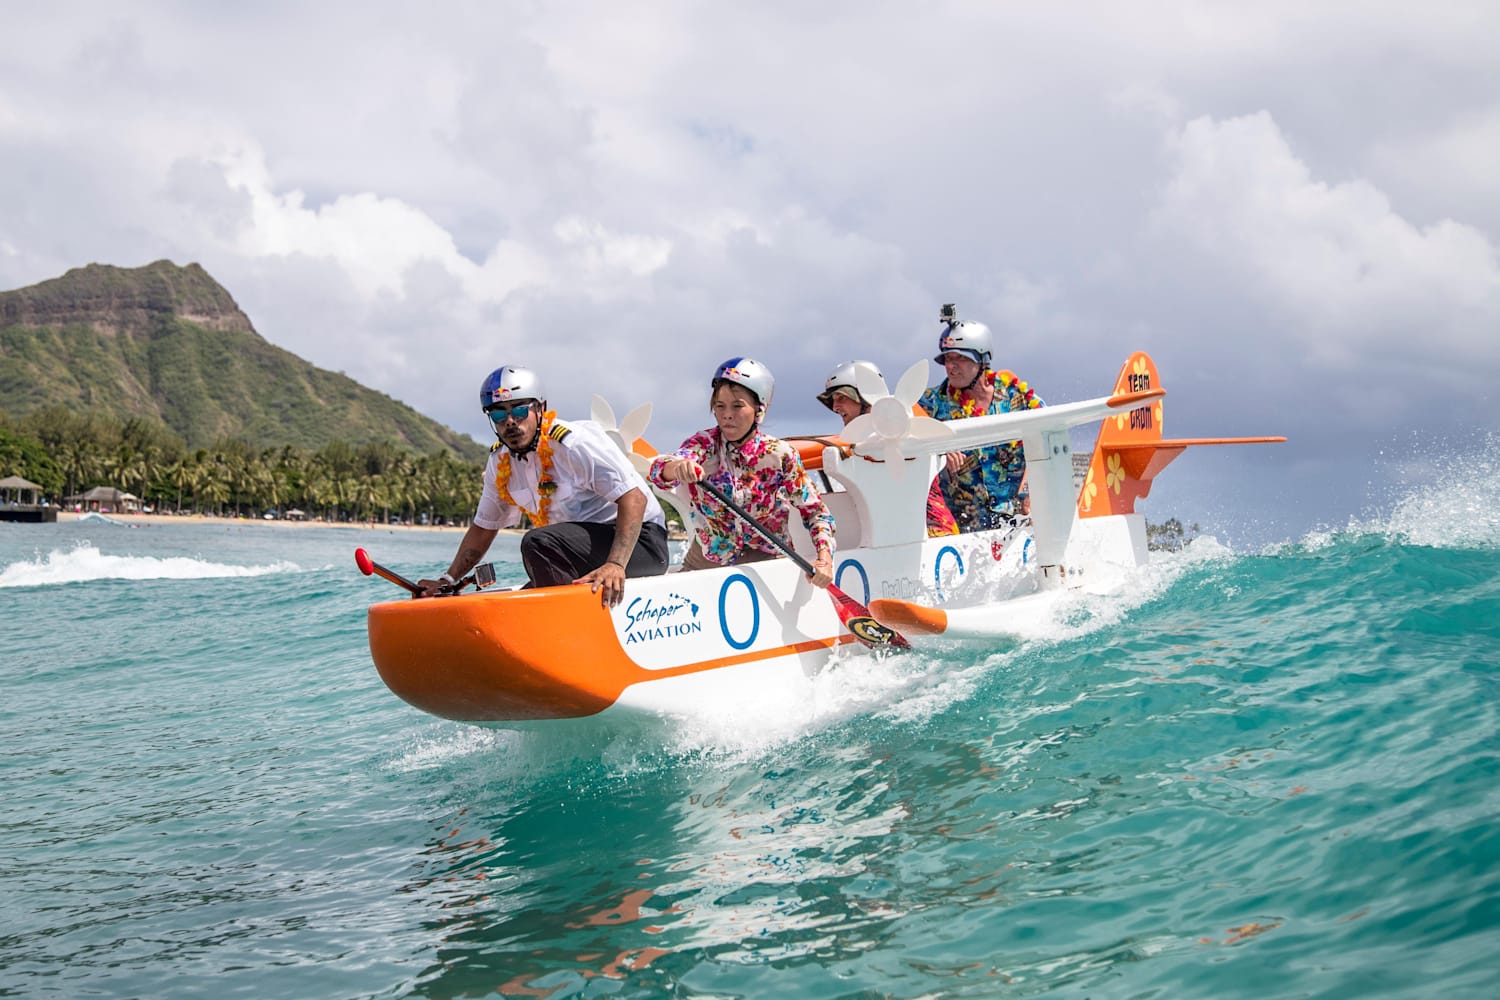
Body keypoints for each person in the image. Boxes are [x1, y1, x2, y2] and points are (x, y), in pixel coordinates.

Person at [418, 364, 669, 607]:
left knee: (537, 542)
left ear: (540, 409)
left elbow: (634, 498)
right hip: (577, 552)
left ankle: (566, 626)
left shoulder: (574, 444)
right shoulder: (499, 462)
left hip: (641, 545)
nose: (510, 422)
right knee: (517, 601)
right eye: (498, 414)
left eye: (518, 411)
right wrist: (448, 581)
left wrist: (615, 564)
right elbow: (484, 527)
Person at [649, 357, 835, 587]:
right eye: (719, 406)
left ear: (759, 409)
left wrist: (824, 559)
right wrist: (676, 468)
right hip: (706, 561)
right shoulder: (702, 444)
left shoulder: (781, 454)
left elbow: (816, 511)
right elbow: (659, 470)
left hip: (768, 563)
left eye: (737, 406)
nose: (727, 414)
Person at [917, 305, 1044, 532]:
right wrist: (938, 450)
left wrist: (1035, 492)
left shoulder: (1019, 398)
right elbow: (903, 436)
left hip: (1019, 520)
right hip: (962, 529)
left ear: (983, 360)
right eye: (947, 359)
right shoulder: (930, 404)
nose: (951, 366)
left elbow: (1048, 440)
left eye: (960, 359)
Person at [817, 360, 959, 537]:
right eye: (832, 401)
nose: (835, 406)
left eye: (841, 398)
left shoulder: (908, 422)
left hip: (933, 532)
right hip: (895, 536)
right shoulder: (858, 442)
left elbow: (935, 440)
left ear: (863, 397)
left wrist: (945, 447)